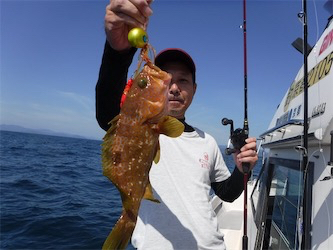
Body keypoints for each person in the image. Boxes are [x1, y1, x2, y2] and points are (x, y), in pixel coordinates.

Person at [96, 0, 258, 249]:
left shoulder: (207, 141)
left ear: (194, 89)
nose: (173, 87)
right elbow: (106, 111)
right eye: (166, 78)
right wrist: (117, 52)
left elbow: (226, 193)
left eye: (182, 80)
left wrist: (240, 169)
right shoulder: (136, 124)